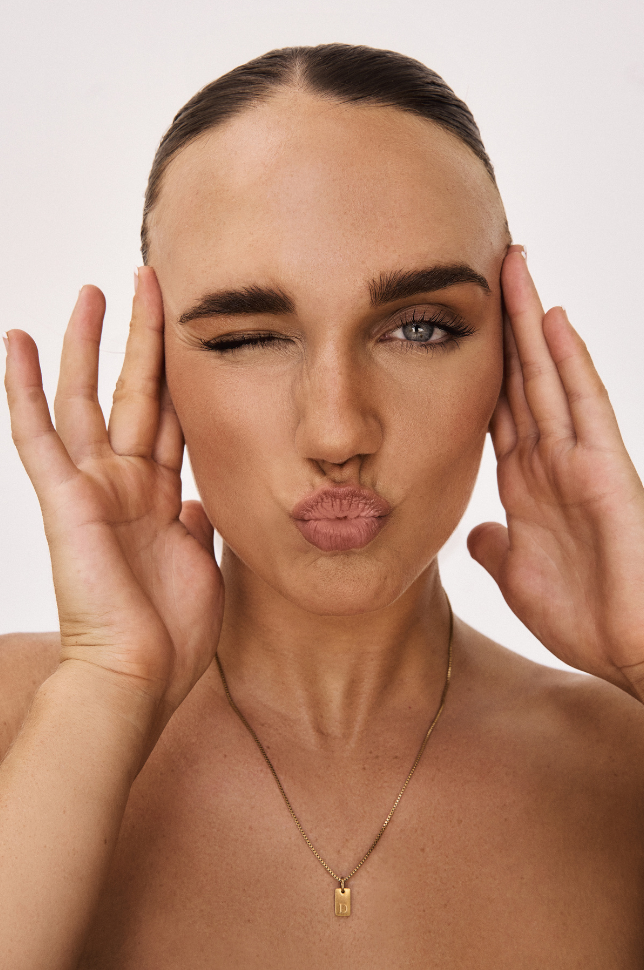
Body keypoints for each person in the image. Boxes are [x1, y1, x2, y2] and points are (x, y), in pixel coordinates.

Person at [2, 43, 644, 969]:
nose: (338, 429)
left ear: (509, 354)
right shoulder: (19, 729)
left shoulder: (625, 768)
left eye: (419, 329)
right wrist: (105, 689)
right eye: (251, 336)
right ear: (158, 365)